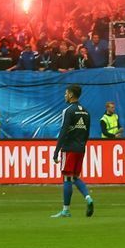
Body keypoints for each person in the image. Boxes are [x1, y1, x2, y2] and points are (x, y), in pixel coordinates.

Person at [52, 85, 95, 218]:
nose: (65, 95)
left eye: (66, 93)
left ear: (71, 95)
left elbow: (63, 131)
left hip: (69, 148)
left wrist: (56, 151)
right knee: (75, 176)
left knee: (67, 178)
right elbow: (87, 133)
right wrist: (81, 145)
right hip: (81, 149)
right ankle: (88, 198)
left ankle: (66, 210)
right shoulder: (86, 112)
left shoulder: (68, 111)